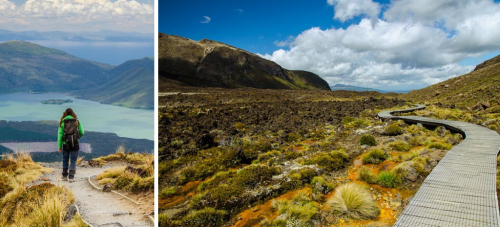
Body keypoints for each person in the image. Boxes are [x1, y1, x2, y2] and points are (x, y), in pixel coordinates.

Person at [58, 108, 84, 182]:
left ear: (65, 114)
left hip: (65, 144)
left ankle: (64, 176)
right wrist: (77, 137)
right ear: (73, 114)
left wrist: (59, 146)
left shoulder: (62, 122)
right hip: (75, 144)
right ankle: (71, 177)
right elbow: (82, 132)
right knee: (73, 160)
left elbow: (60, 135)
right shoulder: (76, 121)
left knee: (65, 159)